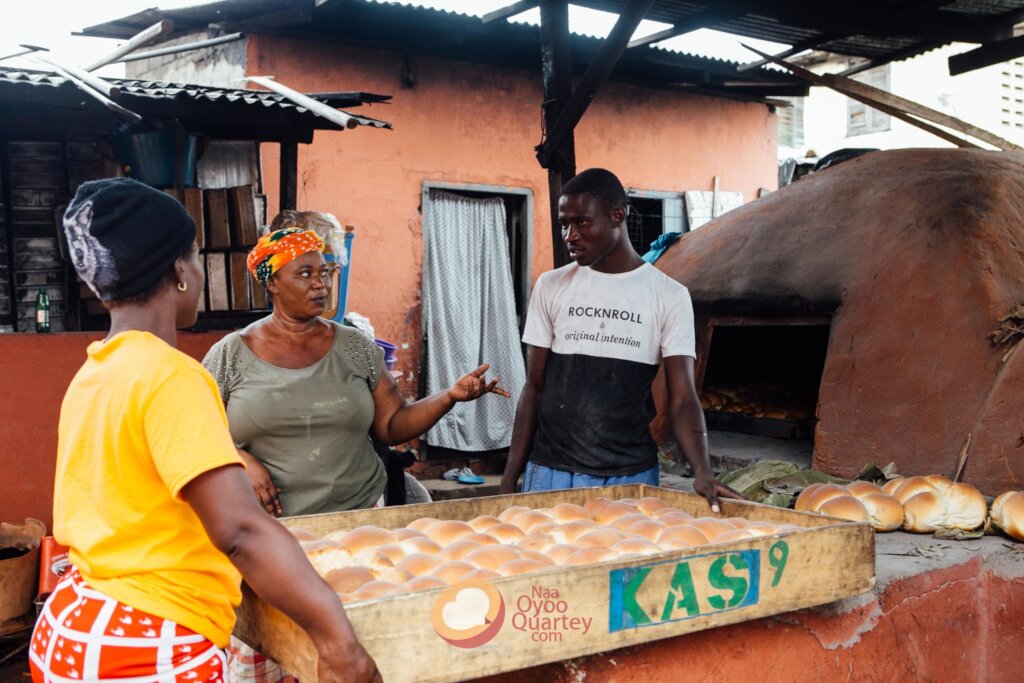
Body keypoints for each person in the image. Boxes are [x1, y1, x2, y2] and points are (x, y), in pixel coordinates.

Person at [31, 178, 380, 683]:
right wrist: (338, 642)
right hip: (143, 640)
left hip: (75, 624)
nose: (198, 271)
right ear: (178, 272)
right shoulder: (171, 375)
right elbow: (240, 530)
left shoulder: (96, 371)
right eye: (195, 257)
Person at [203, 225, 509, 519]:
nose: (321, 284)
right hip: (269, 524)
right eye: (305, 274)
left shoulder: (354, 346)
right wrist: (238, 459)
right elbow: (195, 429)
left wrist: (449, 396)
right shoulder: (231, 354)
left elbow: (391, 424)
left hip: (359, 514)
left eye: (324, 273)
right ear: (272, 283)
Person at [499, 168, 742, 511]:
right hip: (552, 471)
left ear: (617, 216)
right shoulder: (550, 286)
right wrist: (509, 477)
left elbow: (682, 398)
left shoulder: (668, 295)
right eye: (564, 224)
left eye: (582, 222)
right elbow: (534, 389)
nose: (570, 235)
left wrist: (702, 471)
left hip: (629, 476)